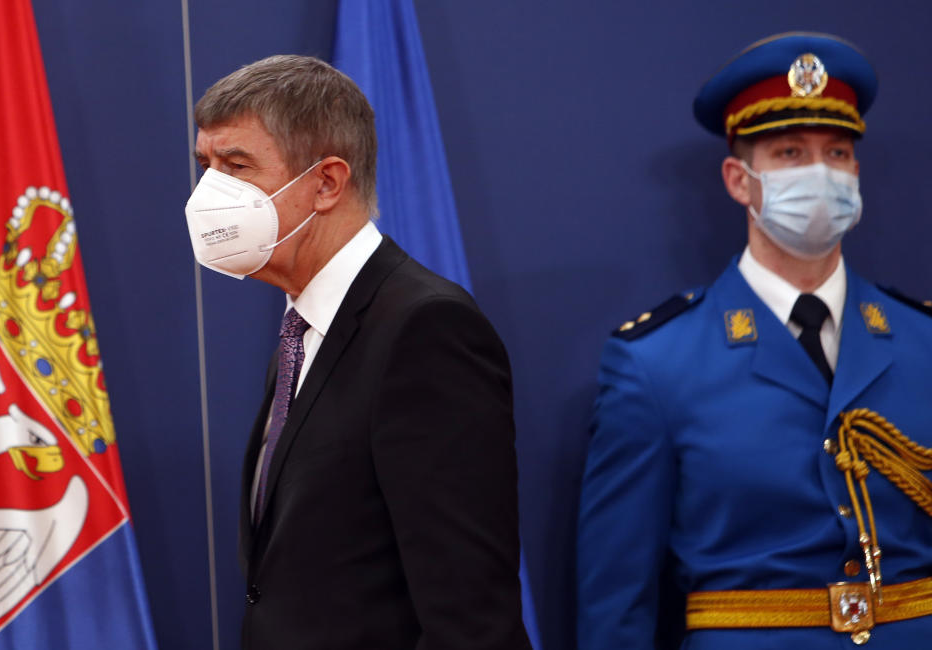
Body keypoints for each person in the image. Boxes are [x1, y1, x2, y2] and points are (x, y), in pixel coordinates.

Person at [577, 32, 932, 649]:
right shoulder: (657, 362)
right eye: (791, 152)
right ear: (739, 181)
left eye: (839, 152)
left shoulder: (923, 339)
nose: (822, 173)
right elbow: (618, 600)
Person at [183, 55, 531, 650]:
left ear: (326, 183)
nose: (210, 193)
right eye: (206, 166)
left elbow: (469, 614)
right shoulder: (304, 327)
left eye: (237, 166)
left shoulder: (426, 329)